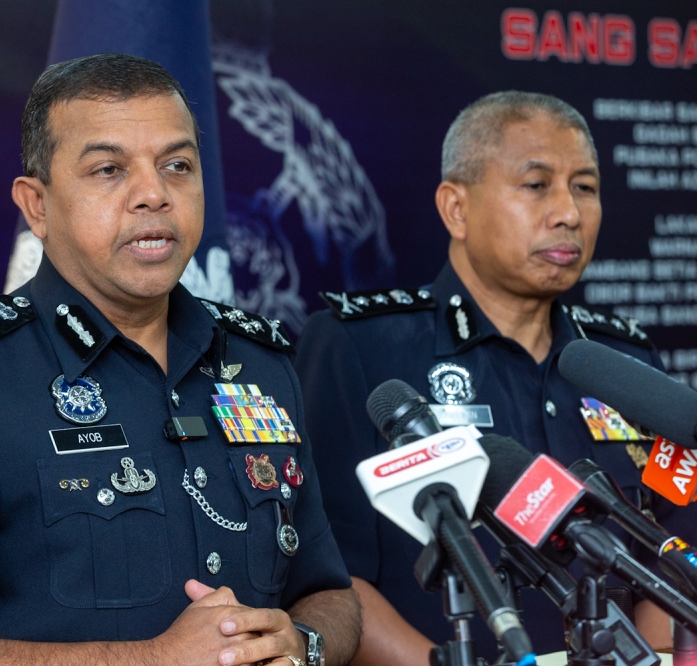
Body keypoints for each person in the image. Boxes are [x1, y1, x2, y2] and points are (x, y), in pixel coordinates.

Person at [0, 53, 360, 666]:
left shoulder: (261, 364)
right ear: (36, 206)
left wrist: (303, 642)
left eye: (178, 165)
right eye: (110, 169)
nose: (154, 195)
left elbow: (329, 592)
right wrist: (156, 659)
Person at [296, 91, 692, 664]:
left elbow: (672, 547)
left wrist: (654, 655)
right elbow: (328, 575)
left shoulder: (621, 360)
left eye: (585, 187)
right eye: (537, 185)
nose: (569, 213)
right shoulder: (359, 346)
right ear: (456, 208)